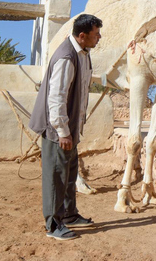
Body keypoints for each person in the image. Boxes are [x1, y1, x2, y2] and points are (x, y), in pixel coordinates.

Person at [29, 14, 102, 241]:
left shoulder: (82, 55)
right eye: (96, 34)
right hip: (58, 130)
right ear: (82, 36)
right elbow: (56, 98)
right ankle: (53, 225)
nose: (99, 38)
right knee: (56, 176)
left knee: (69, 173)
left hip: (71, 128)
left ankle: (70, 215)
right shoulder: (66, 57)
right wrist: (62, 131)